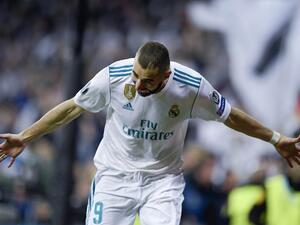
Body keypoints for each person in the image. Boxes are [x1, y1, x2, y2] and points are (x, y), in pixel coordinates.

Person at [0, 41, 300, 225]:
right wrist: (26, 136)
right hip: (114, 177)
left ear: (166, 76)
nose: (139, 86)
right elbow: (72, 108)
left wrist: (275, 139)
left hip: (163, 181)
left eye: (148, 81)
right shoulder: (114, 77)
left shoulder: (190, 87)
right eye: (137, 76)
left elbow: (230, 116)